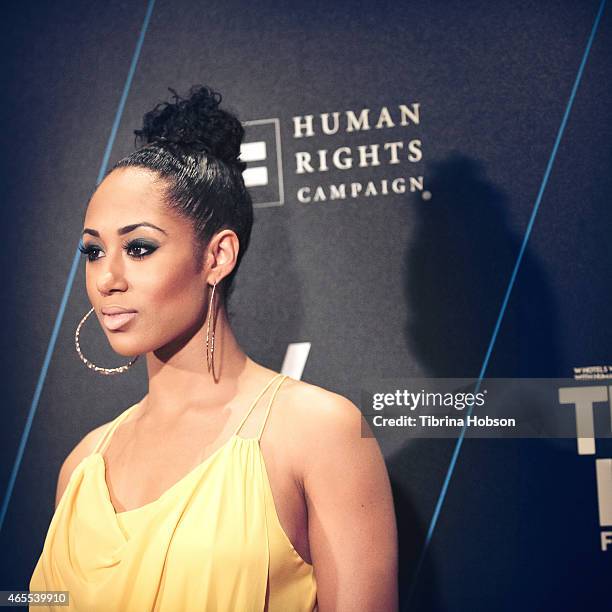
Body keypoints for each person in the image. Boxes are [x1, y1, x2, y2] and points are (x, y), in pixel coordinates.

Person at [29, 85, 398, 611]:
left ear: (217, 255)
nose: (106, 278)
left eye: (139, 248)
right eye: (93, 251)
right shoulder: (81, 466)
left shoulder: (321, 433)